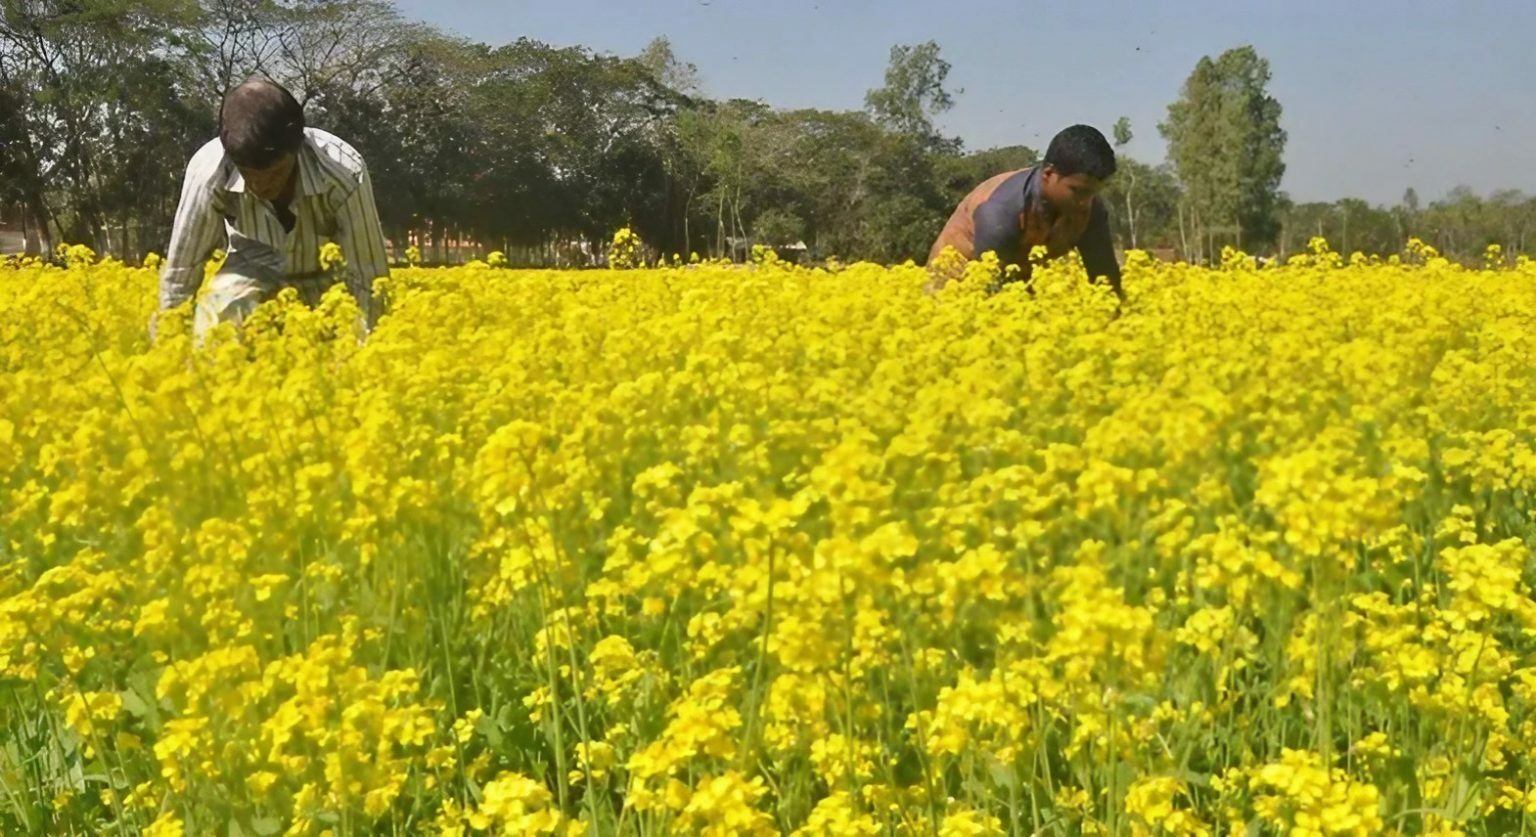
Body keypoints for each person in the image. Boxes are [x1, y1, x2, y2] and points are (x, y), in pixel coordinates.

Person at [157, 78, 390, 338]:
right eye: (249, 173)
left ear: (298, 147)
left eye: (274, 172)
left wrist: (362, 352)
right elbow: (182, 269)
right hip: (249, 275)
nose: (260, 185)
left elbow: (368, 276)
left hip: (326, 281)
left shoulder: (344, 172)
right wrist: (171, 343)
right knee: (216, 324)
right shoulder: (208, 172)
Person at [927, 124, 1122, 298]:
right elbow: (992, 292)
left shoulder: (1090, 208)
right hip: (955, 290)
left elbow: (1104, 276)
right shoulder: (999, 211)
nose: (1085, 202)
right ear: (1048, 174)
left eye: (1093, 192)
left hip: (1019, 288)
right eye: (1077, 191)